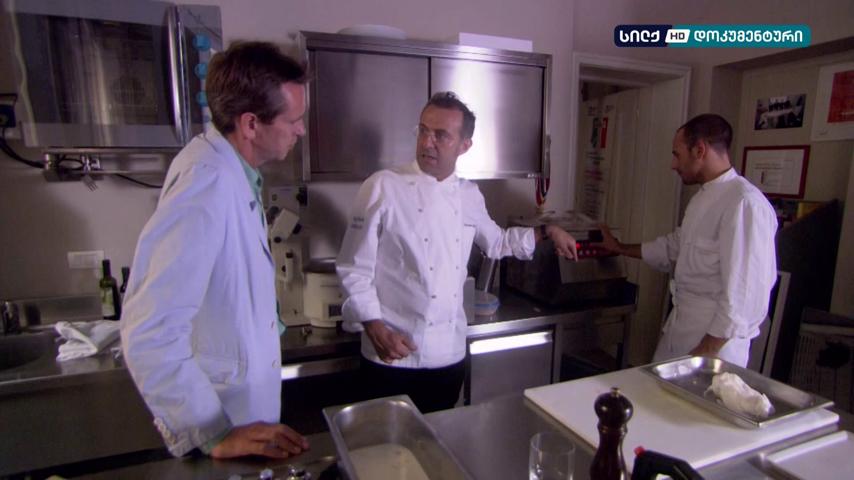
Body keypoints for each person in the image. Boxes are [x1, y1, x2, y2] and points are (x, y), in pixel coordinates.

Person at [121, 41, 310, 459]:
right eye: (294, 120)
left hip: (245, 414)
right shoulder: (206, 181)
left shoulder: (234, 171)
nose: (300, 130)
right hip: (223, 426)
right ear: (251, 124)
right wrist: (211, 432)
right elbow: (150, 329)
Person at [335, 92, 578, 413]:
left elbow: (497, 242)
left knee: (438, 439)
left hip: (447, 358)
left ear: (464, 146)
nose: (427, 142)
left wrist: (547, 231)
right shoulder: (382, 186)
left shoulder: (468, 194)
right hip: (390, 356)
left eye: (441, 135)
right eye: (423, 130)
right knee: (384, 442)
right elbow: (354, 268)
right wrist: (374, 327)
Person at [597, 114, 777, 367]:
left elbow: (745, 293)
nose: (673, 164)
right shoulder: (702, 198)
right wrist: (619, 248)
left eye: (677, 154)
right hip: (680, 330)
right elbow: (674, 247)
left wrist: (706, 351)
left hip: (715, 346)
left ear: (699, 150)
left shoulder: (744, 203)